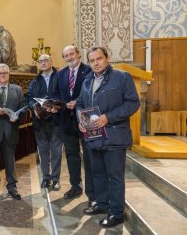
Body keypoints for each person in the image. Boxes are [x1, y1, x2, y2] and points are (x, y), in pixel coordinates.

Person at [76, 46, 140, 228]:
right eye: (92, 60)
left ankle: (117, 213)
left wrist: (108, 117)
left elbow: (133, 103)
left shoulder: (122, 77)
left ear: (107, 58)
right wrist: (80, 120)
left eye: (99, 59)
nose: (96, 63)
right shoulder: (87, 80)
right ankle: (103, 204)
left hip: (114, 136)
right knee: (97, 173)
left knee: (115, 176)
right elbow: (80, 103)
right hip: (94, 136)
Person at [55, 46, 96, 206]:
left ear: (78, 54)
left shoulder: (89, 70)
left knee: (89, 156)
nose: (70, 57)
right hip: (67, 118)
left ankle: (92, 192)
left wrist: (77, 102)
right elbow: (57, 93)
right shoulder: (61, 74)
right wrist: (64, 104)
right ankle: (75, 186)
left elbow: (92, 91)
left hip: (85, 116)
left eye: (72, 54)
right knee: (71, 155)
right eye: (66, 55)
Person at [0, 64, 25, 200]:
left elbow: (23, 107)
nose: (3, 74)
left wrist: (18, 116)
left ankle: (12, 187)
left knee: (10, 161)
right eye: (0, 73)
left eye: (5, 72)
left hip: (10, 131)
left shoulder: (17, 90)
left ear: (9, 74)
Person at [26, 54, 62, 190]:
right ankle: (46, 178)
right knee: (43, 151)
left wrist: (56, 106)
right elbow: (29, 97)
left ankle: (56, 179)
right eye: (40, 61)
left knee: (57, 151)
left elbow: (63, 95)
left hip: (56, 120)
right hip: (40, 121)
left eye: (46, 60)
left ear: (51, 61)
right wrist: (33, 108)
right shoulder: (35, 80)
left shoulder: (59, 77)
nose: (43, 63)